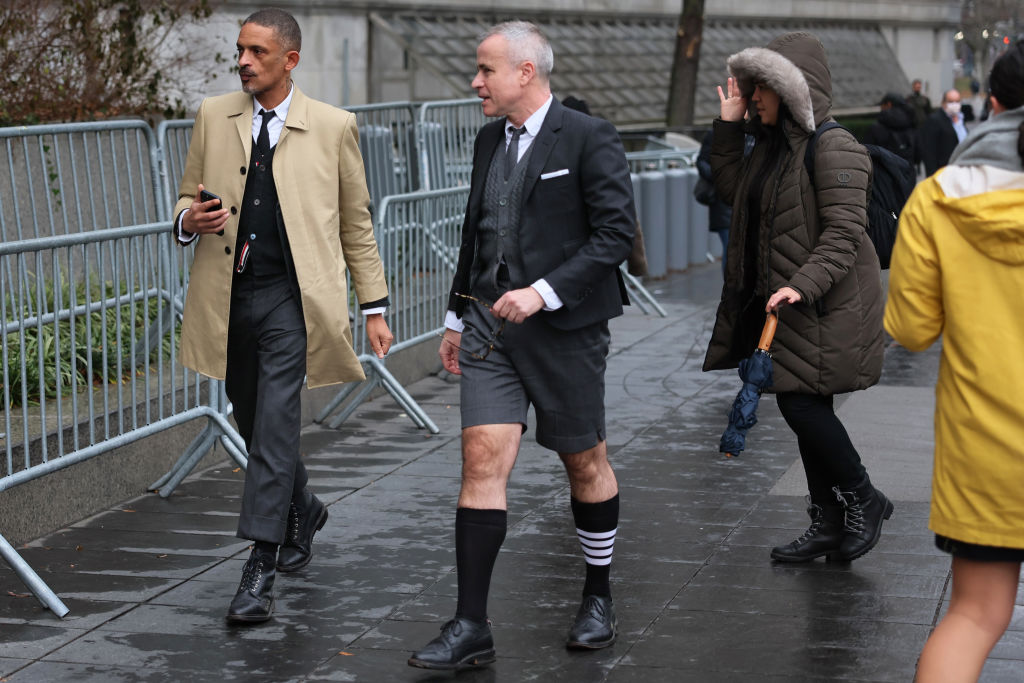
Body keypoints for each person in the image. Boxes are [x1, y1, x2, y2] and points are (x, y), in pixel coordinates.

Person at [407, 21, 635, 670]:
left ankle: (597, 595)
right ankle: (470, 624)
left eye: (485, 70)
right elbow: (477, 232)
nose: (475, 82)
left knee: (584, 462)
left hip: (565, 332)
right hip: (489, 329)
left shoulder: (588, 136)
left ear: (525, 72)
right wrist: (456, 316)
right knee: (480, 461)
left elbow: (616, 234)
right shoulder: (489, 139)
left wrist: (543, 291)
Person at [172, 7, 393, 623]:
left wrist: (374, 306)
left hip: (293, 301)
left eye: (258, 53)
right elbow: (187, 194)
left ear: (290, 60)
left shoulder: (333, 126)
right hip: (229, 297)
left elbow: (356, 222)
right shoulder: (214, 115)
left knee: (274, 425)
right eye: (240, 50)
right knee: (252, 419)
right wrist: (189, 219)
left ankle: (258, 568)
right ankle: (305, 508)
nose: (243, 62)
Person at [705, 32, 892, 564]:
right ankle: (828, 519)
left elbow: (844, 232)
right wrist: (729, 126)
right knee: (804, 400)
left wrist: (800, 285)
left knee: (799, 402)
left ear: (791, 90)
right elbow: (735, 193)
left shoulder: (834, 146)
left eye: (761, 88)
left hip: (827, 303)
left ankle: (862, 497)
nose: (752, 97)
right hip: (792, 306)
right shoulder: (774, 149)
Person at [885, 41, 1024, 683]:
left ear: (992, 106)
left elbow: (912, 330)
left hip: (985, 450)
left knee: (974, 614)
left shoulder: (938, 198)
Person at [920, 89, 968, 176]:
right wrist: (933, 176)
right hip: (944, 171)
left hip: (962, 169)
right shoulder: (934, 120)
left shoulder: (961, 119)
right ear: (943, 103)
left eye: (957, 101)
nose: (954, 105)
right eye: (951, 102)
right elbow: (929, 152)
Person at [864, 92, 917, 165]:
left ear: (889, 104)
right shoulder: (911, 125)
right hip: (908, 169)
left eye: (882, 105)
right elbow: (917, 153)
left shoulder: (876, 128)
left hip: (885, 169)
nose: (881, 108)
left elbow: (867, 153)